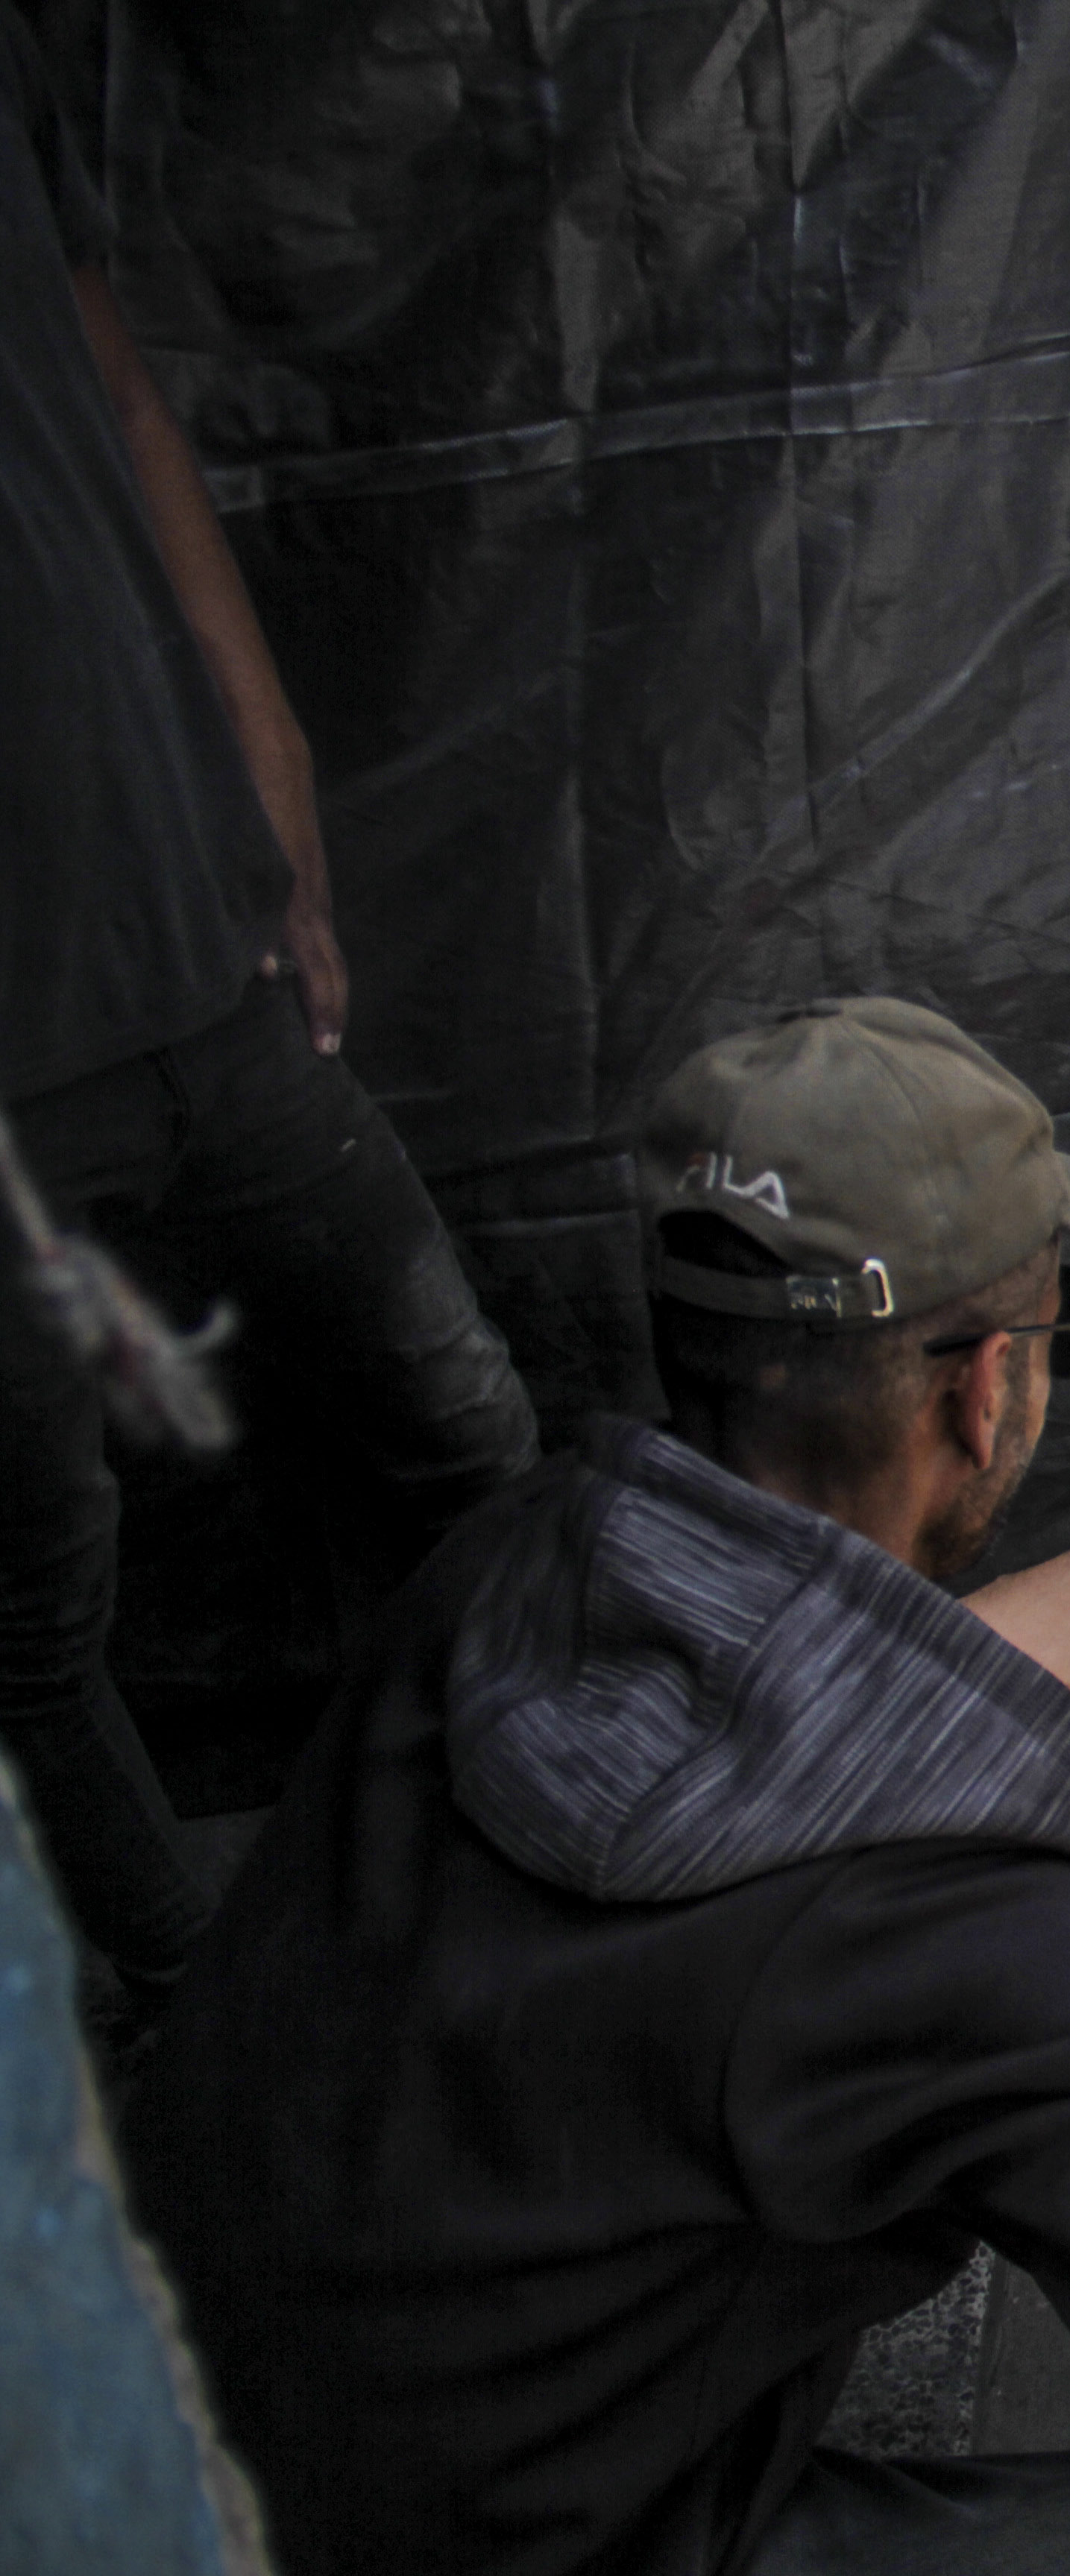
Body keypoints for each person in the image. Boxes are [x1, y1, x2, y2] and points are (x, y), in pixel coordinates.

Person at [121, 1000, 1070, 2576]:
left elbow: (847, 1700)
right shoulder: (944, 1936)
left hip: (177, 2407)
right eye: (1062, 1331)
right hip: (500, 2547)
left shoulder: (535, 1552)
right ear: (981, 1394)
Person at [0, 10, 538, 1995]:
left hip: (196, 963)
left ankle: (543, 1891)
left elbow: (124, 404)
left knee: (458, 1432)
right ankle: (188, 2042)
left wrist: (274, 773)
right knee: (39, 1618)